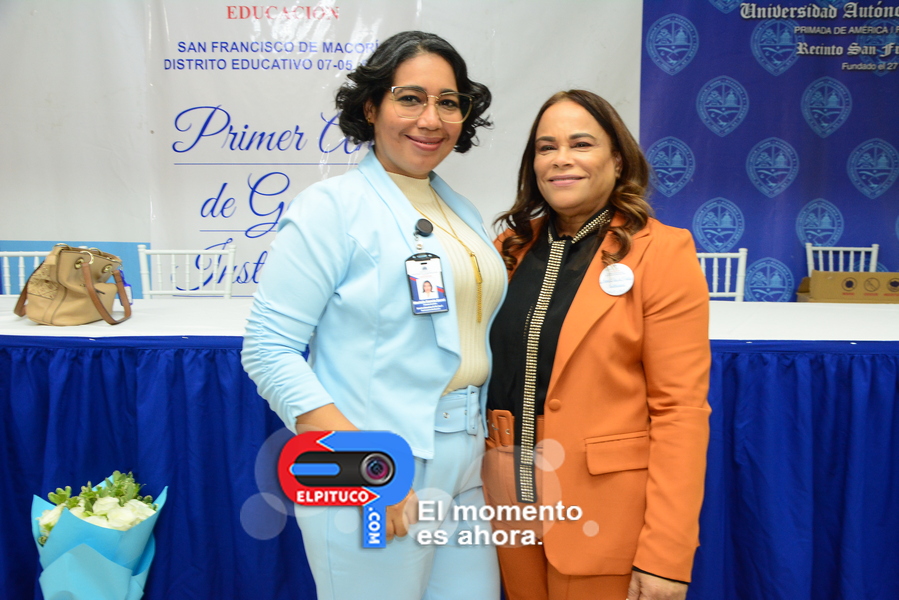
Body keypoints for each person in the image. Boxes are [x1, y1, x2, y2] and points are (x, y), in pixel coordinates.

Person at [241, 31, 507, 600]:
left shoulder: (459, 209)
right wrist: (367, 464)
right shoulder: (332, 208)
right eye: (410, 98)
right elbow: (267, 350)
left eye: (448, 102)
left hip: (464, 459)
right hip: (375, 463)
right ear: (371, 107)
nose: (430, 119)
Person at [483, 90, 711, 600]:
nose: (561, 158)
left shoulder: (662, 252)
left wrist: (667, 555)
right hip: (508, 505)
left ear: (618, 160)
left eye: (581, 144)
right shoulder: (508, 249)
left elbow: (680, 412)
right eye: (546, 147)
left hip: (603, 514)